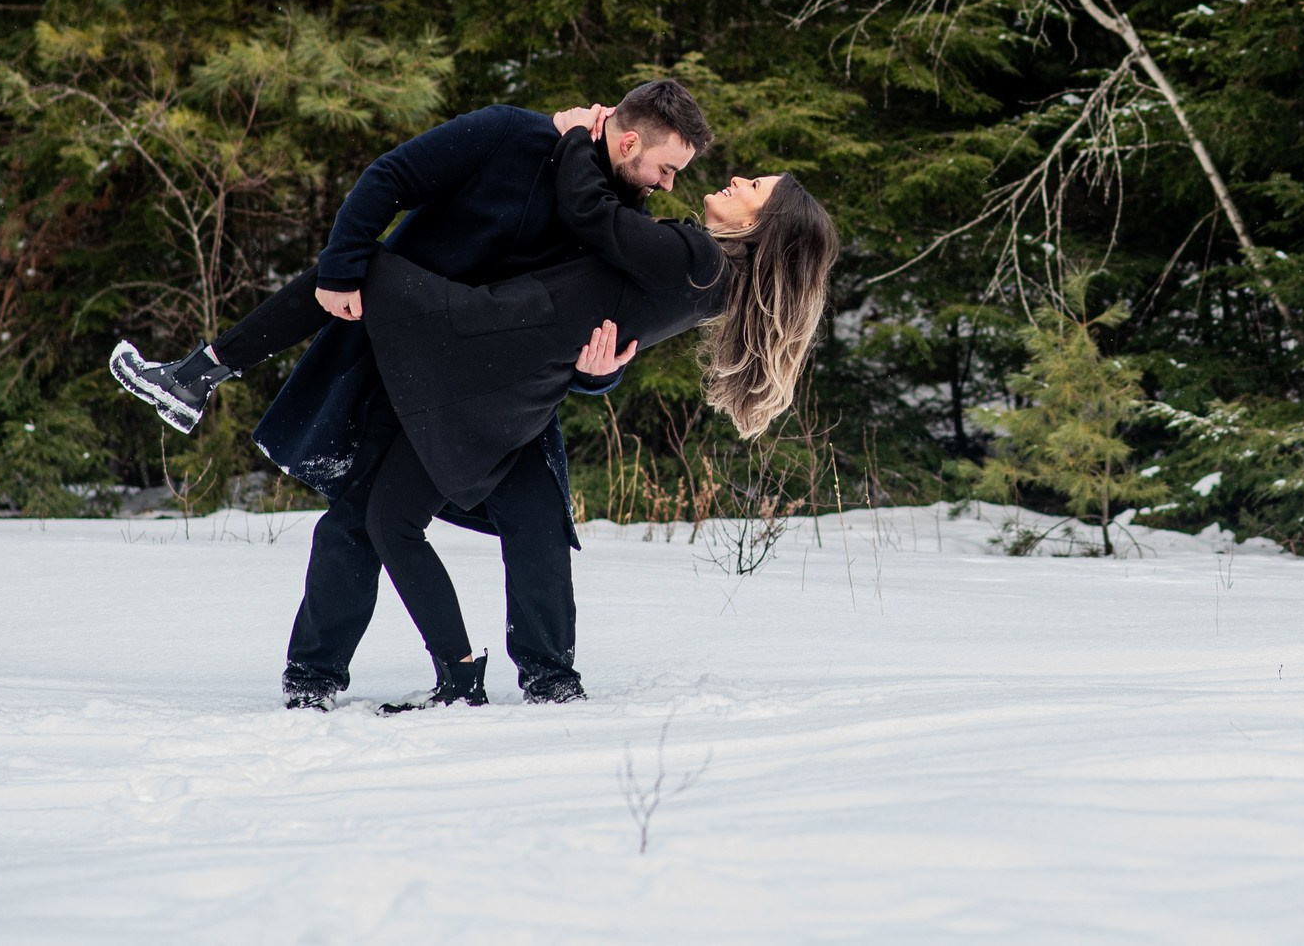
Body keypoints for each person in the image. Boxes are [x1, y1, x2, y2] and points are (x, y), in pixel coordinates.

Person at [108, 82, 711, 710]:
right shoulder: (510, 133)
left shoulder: (618, 219)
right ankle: (314, 676)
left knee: (538, 521)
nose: (669, 185)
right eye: (666, 168)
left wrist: (599, 372)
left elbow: (599, 325)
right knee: (359, 517)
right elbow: (391, 176)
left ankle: (551, 677)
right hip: (415, 355)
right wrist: (341, 266)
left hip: (508, 395)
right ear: (630, 139)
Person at [342, 117, 837, 712]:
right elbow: (613, 310)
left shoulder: (701, 261)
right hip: (518, 388)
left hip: (500, 381)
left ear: (762, 223)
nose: (736, 178)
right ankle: (541, 678)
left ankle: (506, 677)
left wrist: (576, 135)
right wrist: (598, 372)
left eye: (754, 185)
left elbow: (593, 217)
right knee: (533, 531)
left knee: (431, 523)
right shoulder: (705, 266)